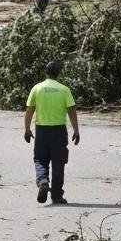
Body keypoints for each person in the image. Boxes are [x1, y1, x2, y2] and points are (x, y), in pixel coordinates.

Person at [24, 61, 80, 205]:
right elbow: (72, 110)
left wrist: (27, 129)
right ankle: (56, 195)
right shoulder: (64, 89)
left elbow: (29, 110)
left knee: (40, 159)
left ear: (45, 73)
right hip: (59, 131)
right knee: (59, 163)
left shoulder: (37, 88)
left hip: (41, 131)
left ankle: (43, 181)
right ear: (58, 74)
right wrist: (76, 130)